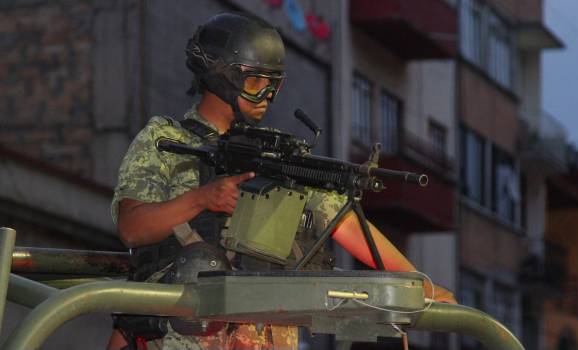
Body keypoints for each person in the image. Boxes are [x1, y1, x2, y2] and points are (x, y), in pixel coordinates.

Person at [108, 12, 456, 350]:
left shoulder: (279, 155)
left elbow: (344, 223)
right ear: (221, 76)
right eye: (256, 83)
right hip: (178, 336)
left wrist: (419, 283)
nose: (268, 96)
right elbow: (132, 227)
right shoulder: (166, 140)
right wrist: (201, 199)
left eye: (274, 85)